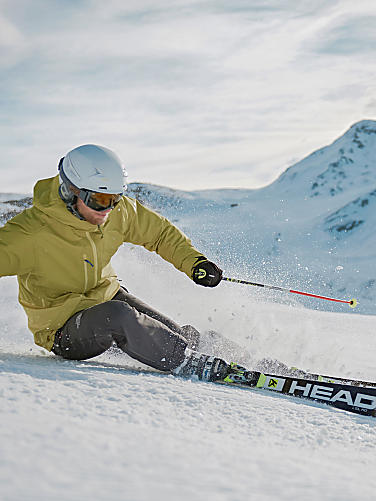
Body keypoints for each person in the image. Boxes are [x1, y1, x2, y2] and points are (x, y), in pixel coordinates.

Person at [0, 144, 242, 382]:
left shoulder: (116, 212)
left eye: (115, 198)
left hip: (107, 298)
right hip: (63, 328)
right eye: (100, 199)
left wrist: (194, 262)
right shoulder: (31, 233)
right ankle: (190, 363)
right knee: (118, 316)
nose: (108, 209)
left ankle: (241, 361)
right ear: (71, 190)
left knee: (172, 334)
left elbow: (159, 234)